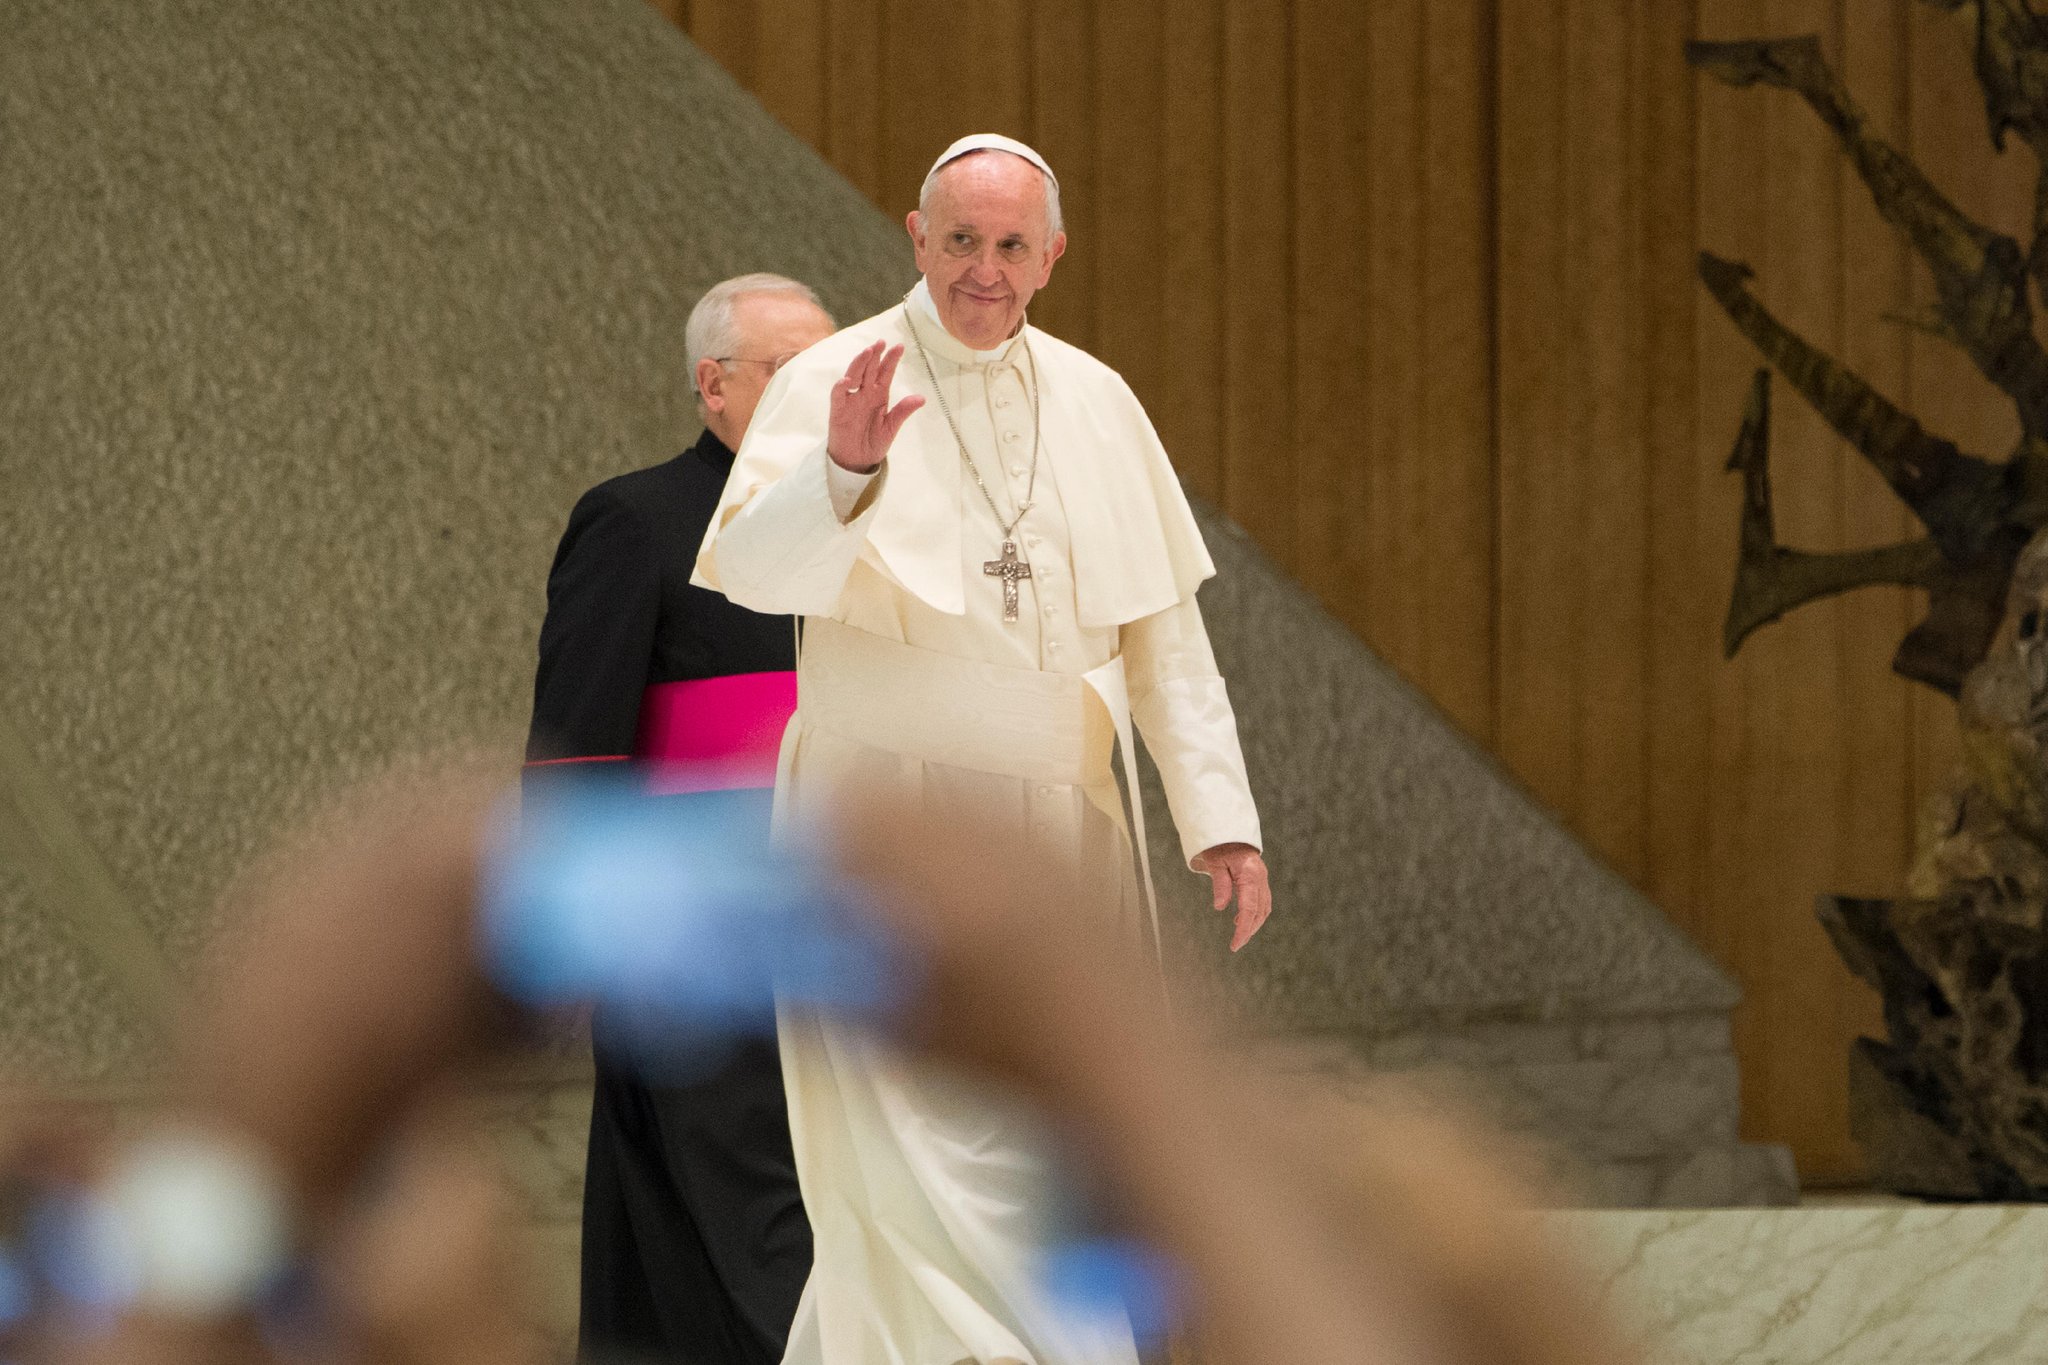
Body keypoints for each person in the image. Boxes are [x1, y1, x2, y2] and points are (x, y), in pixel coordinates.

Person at [692, 134, 1274, 1364]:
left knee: (1041, 1145)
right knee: (906, 1168)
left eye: (1011, 246)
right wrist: (845, 470)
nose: (983, 269)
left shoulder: (1100, 401)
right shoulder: (836, 376)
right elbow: (748, 575)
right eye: (960, 240)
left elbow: (1162, 637)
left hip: (1057, 842)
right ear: (916, 235)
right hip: (879, 827)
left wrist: (1217, 817)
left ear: (1051, 256)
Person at [526, 273, 836, 1364]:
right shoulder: (636, 519)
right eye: (788, 373)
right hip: (693, 922)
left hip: (834, 922)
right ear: (713, 386)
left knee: (671, 1209)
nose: (819, 394)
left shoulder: (864, 523)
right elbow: (580, 735)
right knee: (729, 1199)